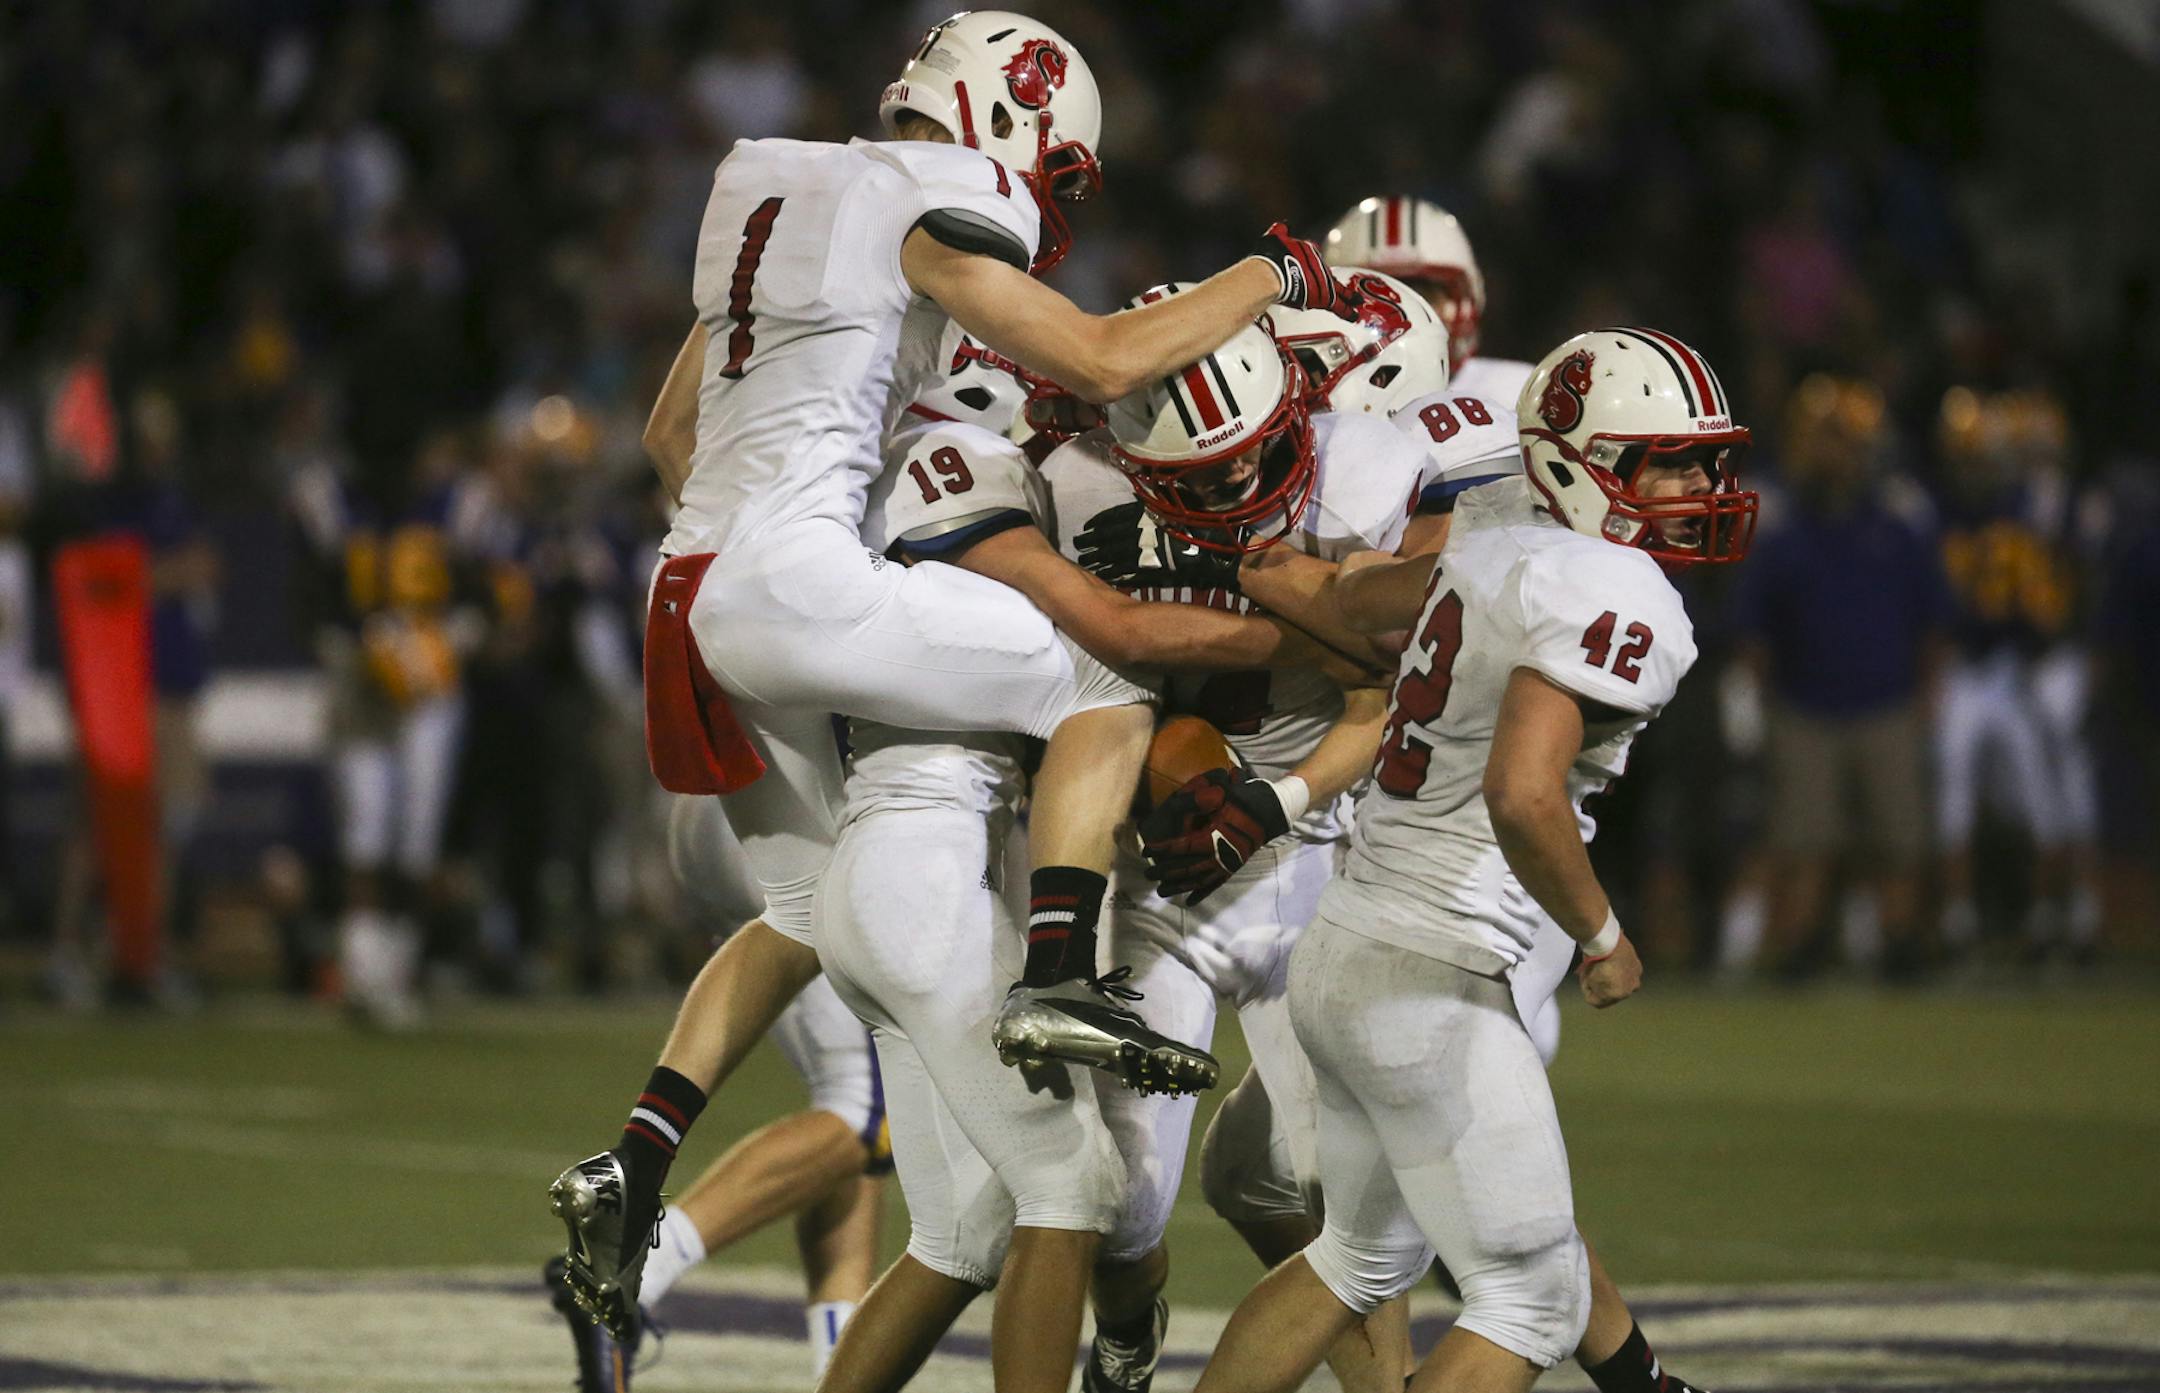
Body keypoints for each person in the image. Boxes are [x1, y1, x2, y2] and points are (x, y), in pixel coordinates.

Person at [549, 9, 1365, 1341]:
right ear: (1006, 124)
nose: (1038, 199)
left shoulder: (798, 192)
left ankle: (636, 1163)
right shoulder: (932, 196)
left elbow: (668, 432)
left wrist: (798, 512)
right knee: (1098, 681)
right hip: (801, 591)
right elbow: (1100, 358)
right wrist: (1274, 275)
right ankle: (1057, 966)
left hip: (691, 593)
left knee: (803, 918)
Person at [1193, 328, 1750, 1393]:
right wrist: (1603, 934)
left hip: (1349, 942)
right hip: (1437, 965)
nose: (1697, 486)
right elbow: (1523, 791)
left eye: (1703, 461)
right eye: (1665, 462)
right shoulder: (1614, 589)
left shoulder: (1491, 536)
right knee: (1531, 1299)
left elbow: (1359, 606)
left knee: (1353, 1258)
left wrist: (1250, 560)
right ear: (1575, 459)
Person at [812, 329, 1353, 1393]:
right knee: (1074, 1191)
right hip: (941, 880)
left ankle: (1120, 1342)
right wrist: (1318, 634)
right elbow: (1109, 630)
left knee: (959, 1238)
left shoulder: (844, 508)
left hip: (889, 867)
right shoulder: (971, 474)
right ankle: (1058, 971)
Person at [545, 795, 889, 1393]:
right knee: (868, 1116)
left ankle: (838, 1373)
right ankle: (636, 1273)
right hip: (809, 805)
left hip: (725, 805)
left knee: (846, 1124)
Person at [1325, 197, 1533, 404]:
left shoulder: (1518, 394)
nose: (1404, 320)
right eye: (1375, 300)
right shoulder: (1317, 409)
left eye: (1424, 296)